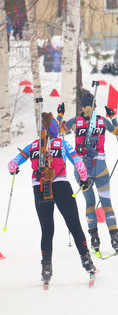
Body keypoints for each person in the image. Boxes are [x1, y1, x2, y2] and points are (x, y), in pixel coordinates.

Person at [7, 113, 96, 286]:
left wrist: (14, 169)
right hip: (61, 186)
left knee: (47, 230)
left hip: (39, 188)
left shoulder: (33, 145)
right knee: (74, 226)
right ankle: (87, 263)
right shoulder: (62, 143)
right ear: (55, 129)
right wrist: (84, 180)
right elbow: (78, 163)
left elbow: (12, 164)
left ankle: (46, 268)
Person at [56, 91, 118, 256]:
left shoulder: (75, 122)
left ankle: (94, 239)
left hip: (81, 169)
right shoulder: (102, 121)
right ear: (95, 106)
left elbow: (57, 129)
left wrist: (60, 115)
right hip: (100, 166)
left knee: (89, 204)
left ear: (81, 107)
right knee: (106, 203)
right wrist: (113, 116)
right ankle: (115, 240)